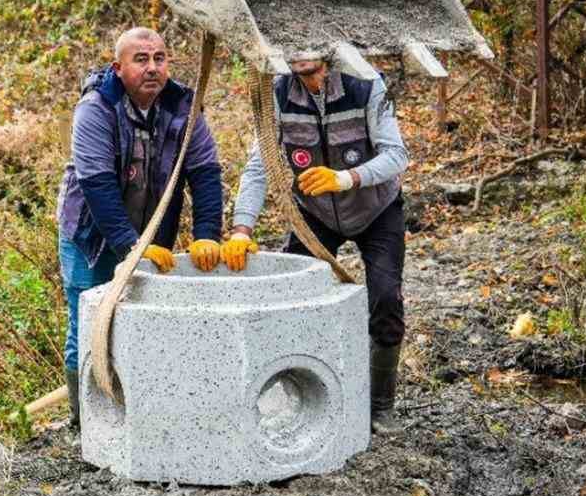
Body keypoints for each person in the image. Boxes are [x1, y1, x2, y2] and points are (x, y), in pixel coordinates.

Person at [224, 50, 408, 430]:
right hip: (315, 215)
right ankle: (294, 391)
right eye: (292, 46)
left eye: (310, 44)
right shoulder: (277, 93)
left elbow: (396, 156)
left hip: (376, 208)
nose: (301, 53)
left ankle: (380, 406)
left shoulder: (365, 83)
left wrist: (346, 178)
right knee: (290, 298)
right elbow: (261, 165)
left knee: (386, 298)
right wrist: (242, 229)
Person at [55, 28, 224, 427]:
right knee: (89, 323)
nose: (152, 67)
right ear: (118, 67)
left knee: (146, 322)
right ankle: (86, 424)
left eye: (160, 58)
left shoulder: (184, 106)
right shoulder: (96, 107)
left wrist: (205, 234)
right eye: (141, 59)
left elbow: (205, 173)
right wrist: (131, 247)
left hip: (151, 232)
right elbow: (97, 186)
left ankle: (144, 416)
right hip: (91, 235)